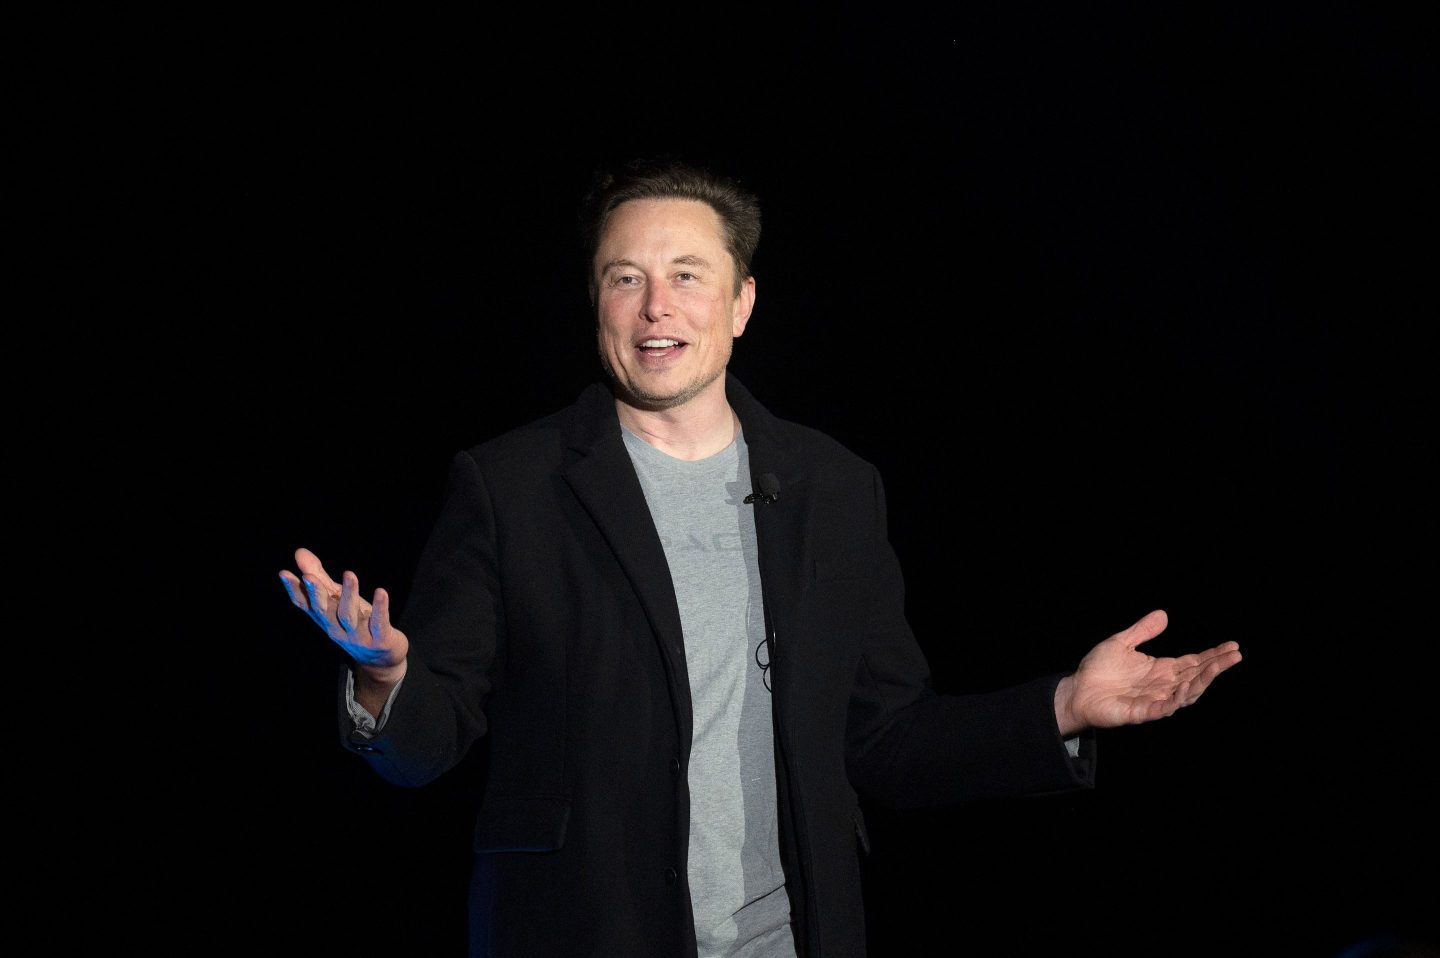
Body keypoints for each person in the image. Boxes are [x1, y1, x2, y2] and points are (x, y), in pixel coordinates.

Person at [278, 155, 1242, 958]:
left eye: (687, 275)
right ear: (596, 301)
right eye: (624, 278)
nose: (656, 306)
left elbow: (885, 738)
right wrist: (385, 680)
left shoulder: (835, 488)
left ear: (742, 302)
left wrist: (1061, 707)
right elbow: (425, 744)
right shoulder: (511, 485)